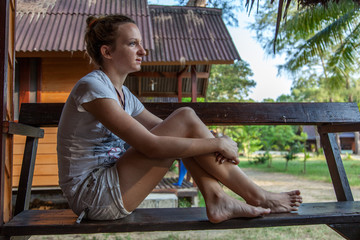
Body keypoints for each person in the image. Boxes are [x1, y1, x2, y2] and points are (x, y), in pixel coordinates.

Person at [57, 14, 302, 222]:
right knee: (185, 117)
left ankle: (218, 199)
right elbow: (151, 146)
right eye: (133, 44)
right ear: (107, 51)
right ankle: (256, 195)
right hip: (92, 194)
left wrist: (212, 139)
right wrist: (217, 144)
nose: (143, 50)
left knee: (186, 123)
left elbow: (163, 129)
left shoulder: (123, 95)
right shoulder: (93, 88)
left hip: (112, 185)